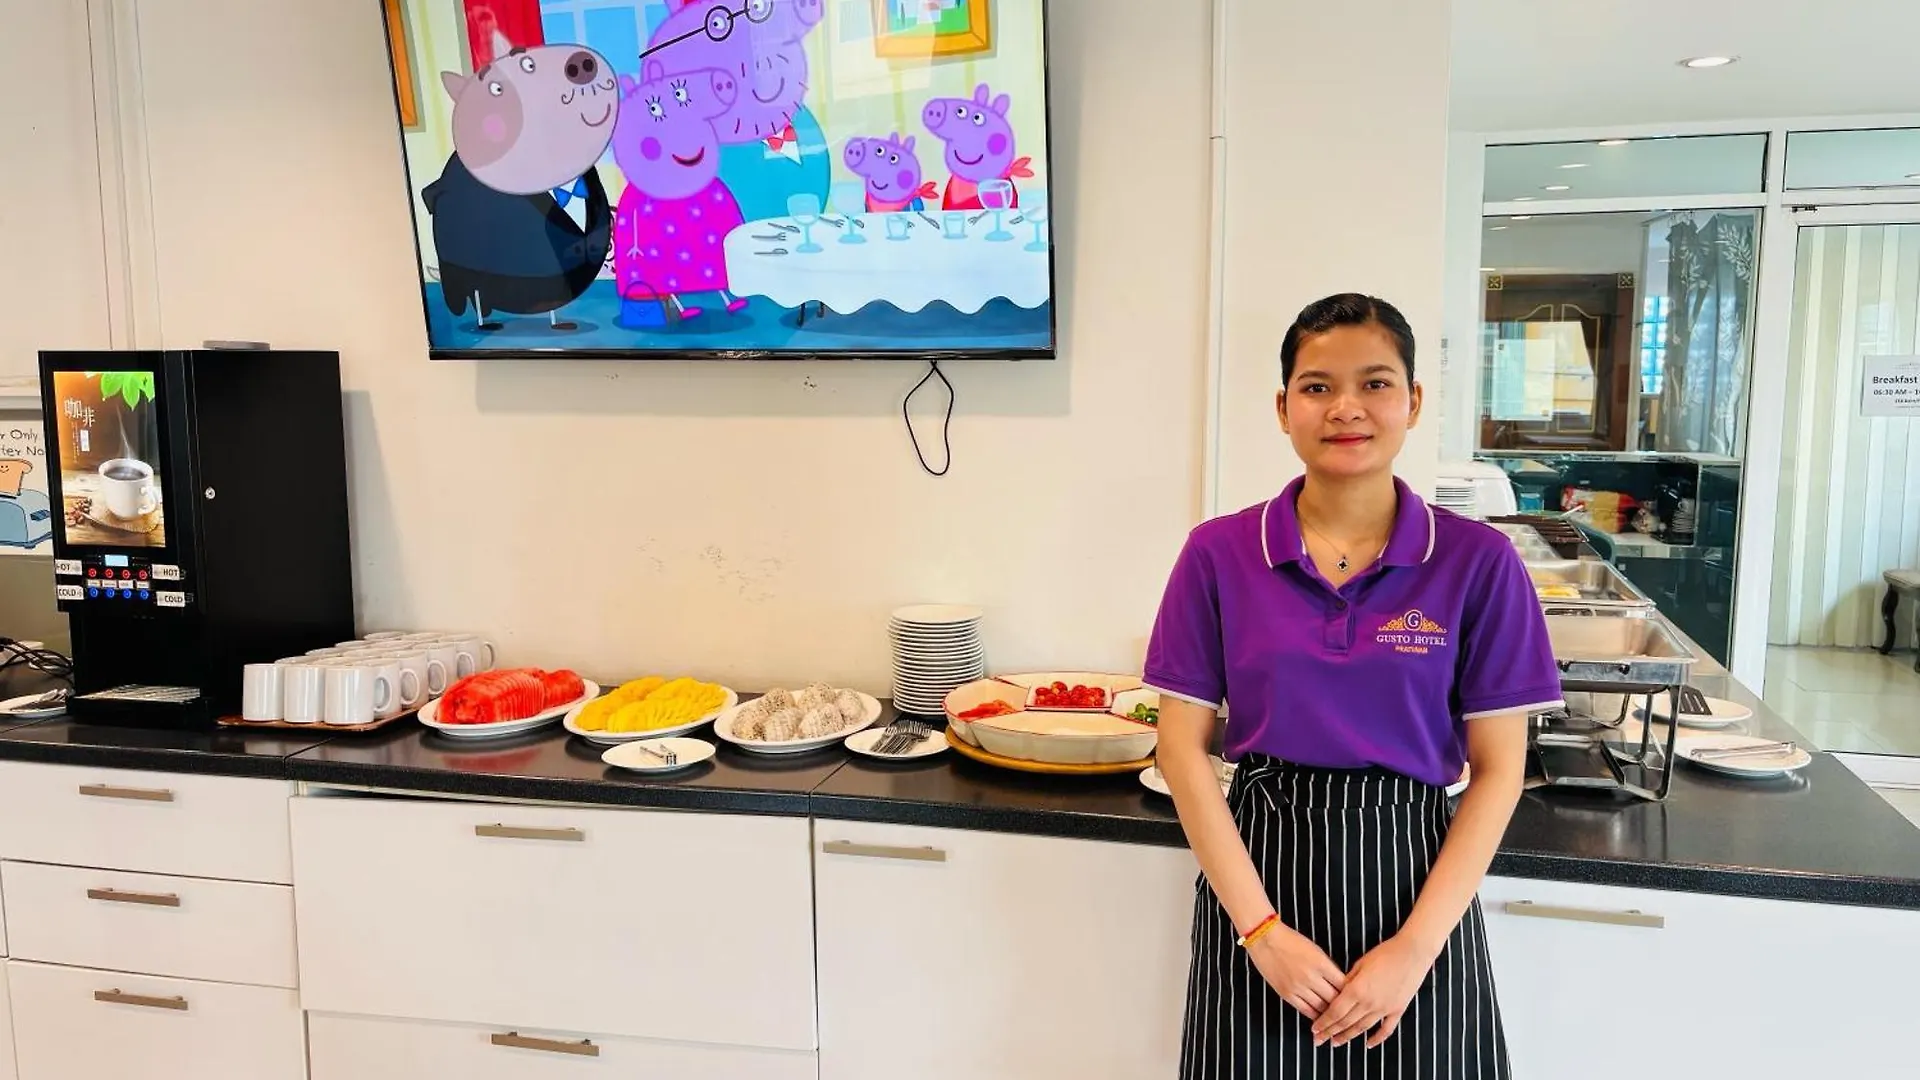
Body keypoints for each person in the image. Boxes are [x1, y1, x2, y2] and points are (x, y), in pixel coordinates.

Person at [1146, 293, 1562, 1077]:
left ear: (1413, 401)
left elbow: (1500, 770)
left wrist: (1413, 951)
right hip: (1261, 880)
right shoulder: (1218, 553)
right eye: (1317, 386)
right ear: (1283, 408)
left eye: (1374, 383)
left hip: (1417, 886)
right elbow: (1180, 750)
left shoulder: (1477, 562)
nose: (1346, 408)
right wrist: (1262, 933)